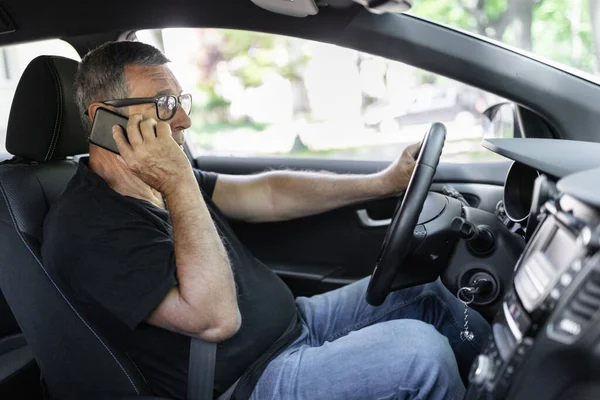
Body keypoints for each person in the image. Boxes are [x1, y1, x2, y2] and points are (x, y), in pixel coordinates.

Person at [42, 41, 490, 400]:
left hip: (297, 323)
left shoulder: (158, 176)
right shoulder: (87, 229)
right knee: (420, 354)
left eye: (180, 100)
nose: (184, 118)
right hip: (252, 381)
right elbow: (215, 319)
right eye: (163, 103)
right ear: (105, 119)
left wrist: (383, 183)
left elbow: (268, 193)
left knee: (429, 293)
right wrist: (179, 184)